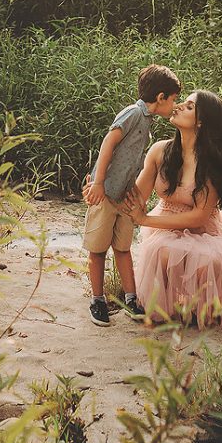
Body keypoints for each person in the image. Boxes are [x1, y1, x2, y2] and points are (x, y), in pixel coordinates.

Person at [122, 89, 222, 328]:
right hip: (165, 223)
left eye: (188, 106)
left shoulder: (211, 162)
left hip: (203, 230)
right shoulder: (161, 150)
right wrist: (103, 184)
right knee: (162, 249)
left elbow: (198, 217)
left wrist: (145, 220)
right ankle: (168, 307)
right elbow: (137, 195)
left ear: (200, 121)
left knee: (204, 259)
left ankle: (196, 307)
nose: (178, 106)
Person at [81, 63, 181, 327]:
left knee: (123, 248)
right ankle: (98, 300)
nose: (175, 105)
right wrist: (98, 182)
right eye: (174, 100)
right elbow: (108, 142)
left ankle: (131, 298)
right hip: (105, 195)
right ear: (160, 97)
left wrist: (137, 194)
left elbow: (135, 163)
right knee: (98, 249)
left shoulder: (146, 123)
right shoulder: (133, 113)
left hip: (123, 197)